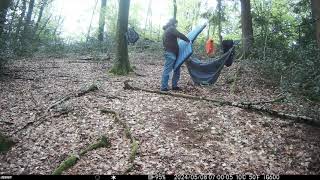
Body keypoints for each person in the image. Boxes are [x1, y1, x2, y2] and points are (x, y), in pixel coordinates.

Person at [161, 19, 191, 92]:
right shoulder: (171, 28)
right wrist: (188, 40)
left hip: (173, 53)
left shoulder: (166, 30)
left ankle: (174, 86)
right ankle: (164, 87)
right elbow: (180, 35)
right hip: (170, 53)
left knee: (177, 69)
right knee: (167, 70)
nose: (176, 25)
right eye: (176, 24)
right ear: (174, 23)